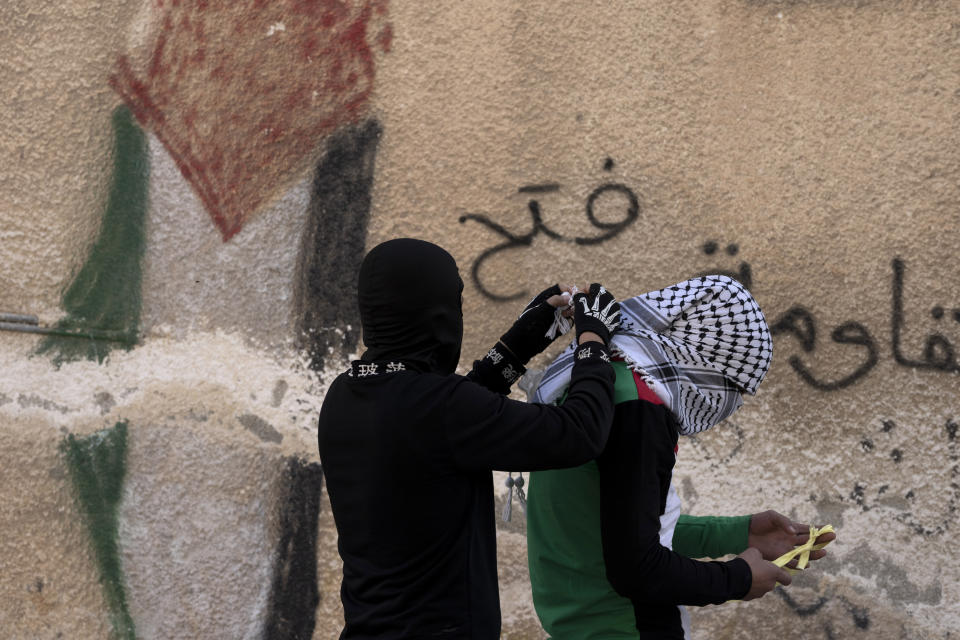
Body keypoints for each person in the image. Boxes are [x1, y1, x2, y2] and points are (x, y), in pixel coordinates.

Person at [317, 238, 622, 639]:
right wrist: (593, 341)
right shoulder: (440, 408)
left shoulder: (346, 394)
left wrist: (520, 343)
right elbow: (578, 433)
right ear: (437, 314)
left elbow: (448, 423)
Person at [525, 275, 836, 639]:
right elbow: (636, 569)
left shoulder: (590, 386)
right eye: (731, 388)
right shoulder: (639, 408)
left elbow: (613, 527)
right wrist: (738, 579)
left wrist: (739, 533)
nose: (727, 405)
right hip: (627, 628)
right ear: (700, 360)